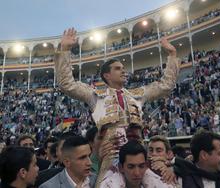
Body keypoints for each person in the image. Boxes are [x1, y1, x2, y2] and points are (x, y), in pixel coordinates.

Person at [55, 27, 180, 186]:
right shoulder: (95, 95)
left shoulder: (137, 94)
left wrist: (172, 55)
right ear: (106, 75)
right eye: (118, 68)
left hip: (138, 158)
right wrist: (65, 50)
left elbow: (166, 85)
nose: (123, 71)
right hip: (112, 160)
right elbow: (67, 84)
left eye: (123, 68)